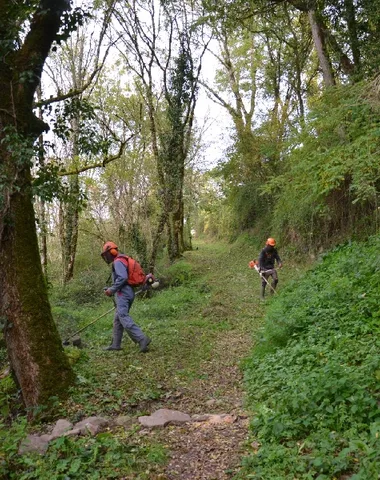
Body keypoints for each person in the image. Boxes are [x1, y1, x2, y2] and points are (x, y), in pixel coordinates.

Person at [101, 241, 151, 352]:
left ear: (111, 252)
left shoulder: (118, 261)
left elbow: (122, 278)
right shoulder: (122, 259)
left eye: (106, 254)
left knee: (123, 316)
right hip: (127, 292)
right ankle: (116, 344)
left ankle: (142, 338)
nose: (106, 257)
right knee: (118, 319)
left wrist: (111, 290)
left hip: (123, 293)